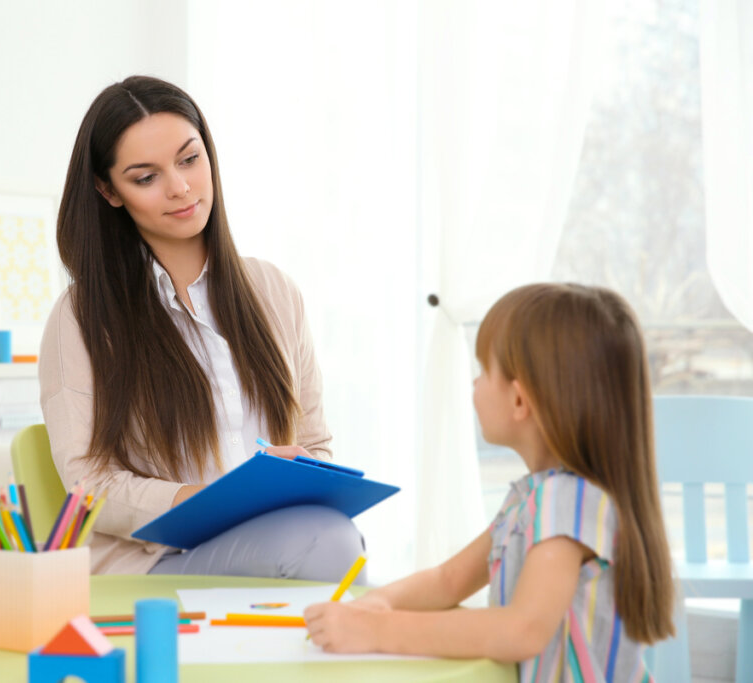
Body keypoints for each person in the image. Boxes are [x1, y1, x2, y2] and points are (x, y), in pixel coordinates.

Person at [39, 75, 364, 580]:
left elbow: (314, 442)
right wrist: (204, 501)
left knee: (332, 534)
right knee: (326, 541)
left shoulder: (274, 291)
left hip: (271, 536)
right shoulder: (82, 317)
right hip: (159, 560)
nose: (180, 188)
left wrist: (297, 477)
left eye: (189, 160)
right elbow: (88, 482)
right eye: (146, 177)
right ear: (109, 190)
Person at [304, 283, 675, 681]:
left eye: (483, 371)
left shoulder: (566, 500)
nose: (474, 384)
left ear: (519, 401)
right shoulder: (530, 497)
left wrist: (375, 630)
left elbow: (521, 630)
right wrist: (376, 603)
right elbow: (447, 581)